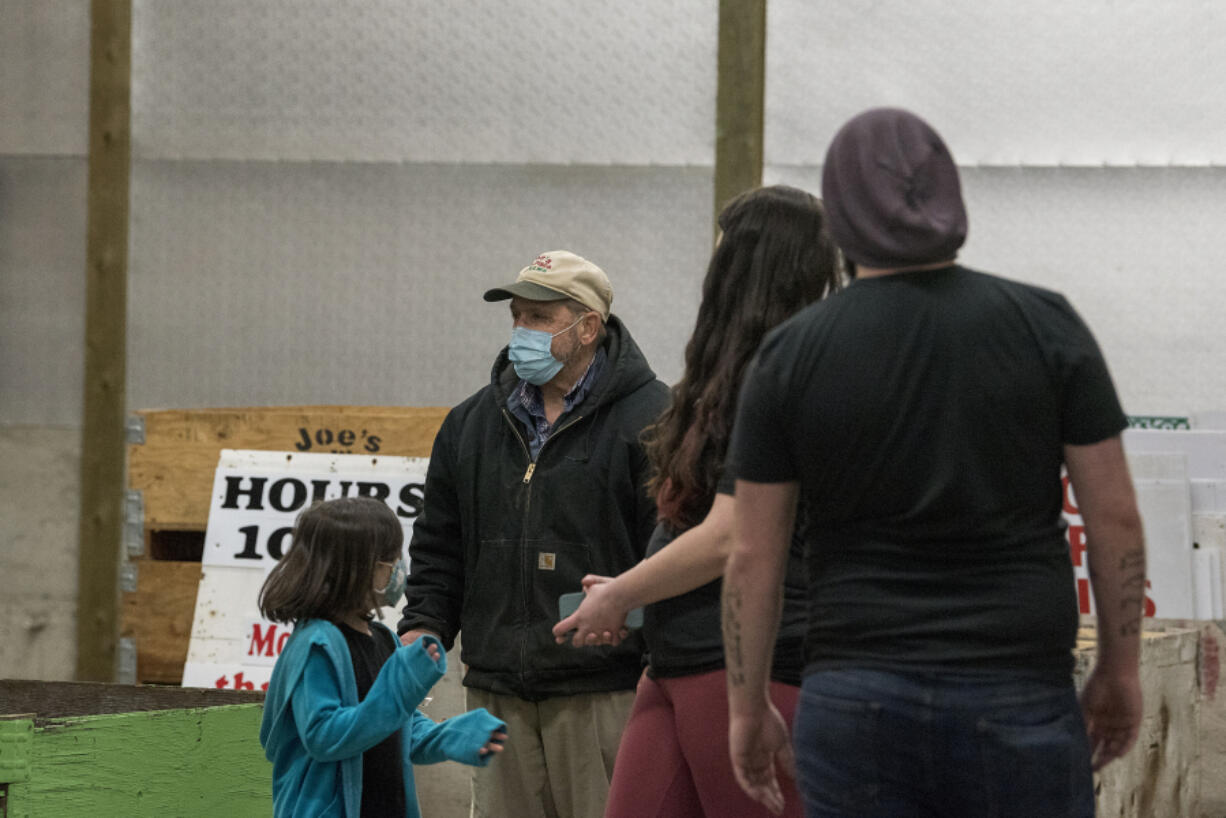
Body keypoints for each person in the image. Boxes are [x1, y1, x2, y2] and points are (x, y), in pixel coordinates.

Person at [721, 107, 1147, 818]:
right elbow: (1115, 516)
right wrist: (1120, 669)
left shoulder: (790, 354)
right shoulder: (1046, 325)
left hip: (854, 694)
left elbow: (751, 555)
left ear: (841, 215)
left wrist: (747, 707)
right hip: (1016, 686)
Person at [551, 185, 841, 818]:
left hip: (748, 667)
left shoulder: (787, 375)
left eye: (722, 250)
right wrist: (632, 591)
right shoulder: (732, 376)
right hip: (678, 657)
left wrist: (623, 593)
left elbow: (730, 536)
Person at [397, 250, 670, 818]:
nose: (522, 330)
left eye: (540, 318)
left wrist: (656, 665)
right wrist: (423, 625)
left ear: (588, 327)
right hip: (496, 691)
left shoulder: (654, 422)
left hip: (604, 692)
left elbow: (669, 552)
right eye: (517, 316)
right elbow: (438, 544)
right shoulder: (470, 424)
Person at [258, 496, 507, 818]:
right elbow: (324, 736)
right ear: (360, 567)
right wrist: (398, 691)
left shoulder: (384, 639)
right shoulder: (316, 645)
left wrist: (451, 735)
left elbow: (398, 727)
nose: (399, 568)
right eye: (390, 559)